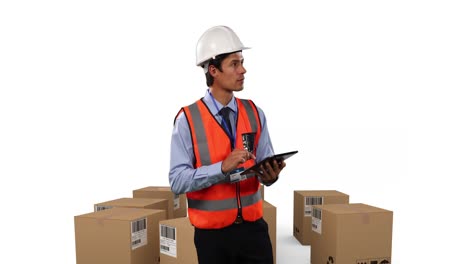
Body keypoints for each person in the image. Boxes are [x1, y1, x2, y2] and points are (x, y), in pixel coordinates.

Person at [168, 25, 286, 264]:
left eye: (242, 62)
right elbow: (177, 181)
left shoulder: (255, 113)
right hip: (213, 239)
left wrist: (270, 176)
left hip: (255, 233)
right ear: (213, 70)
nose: (243, 70)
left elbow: (265, 165)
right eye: (234, 64)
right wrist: (221, 168)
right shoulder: (187, 120)